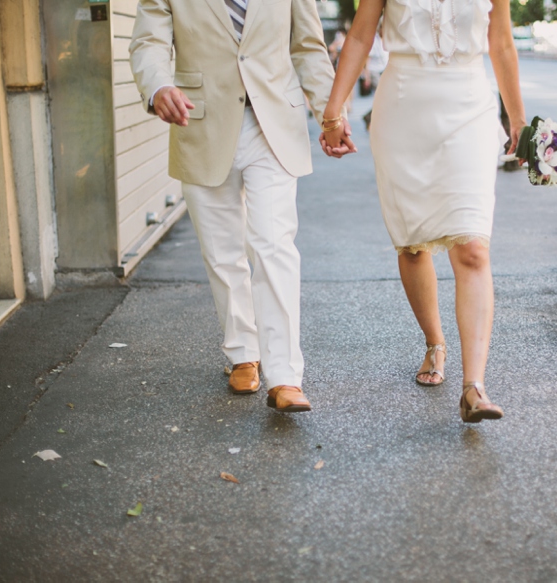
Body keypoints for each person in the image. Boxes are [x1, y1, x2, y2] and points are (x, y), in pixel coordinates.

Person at [129, 0, 353, 413]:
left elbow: (306, 46)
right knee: (222, 251)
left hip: (273, 126)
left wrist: (329, 113)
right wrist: (158, 86)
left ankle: (285, 376)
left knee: (274, 244)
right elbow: (149, 42)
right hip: (199, 121)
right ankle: (243, 353)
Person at [320, 0, 527, 422]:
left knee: (472, 247)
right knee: (413, 244)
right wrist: (333, 110)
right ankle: (435, 342)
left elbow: (501, 42)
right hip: (403, 109)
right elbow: (360, 35)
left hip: (469, 109)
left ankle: (474, 387)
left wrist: (518, 120)